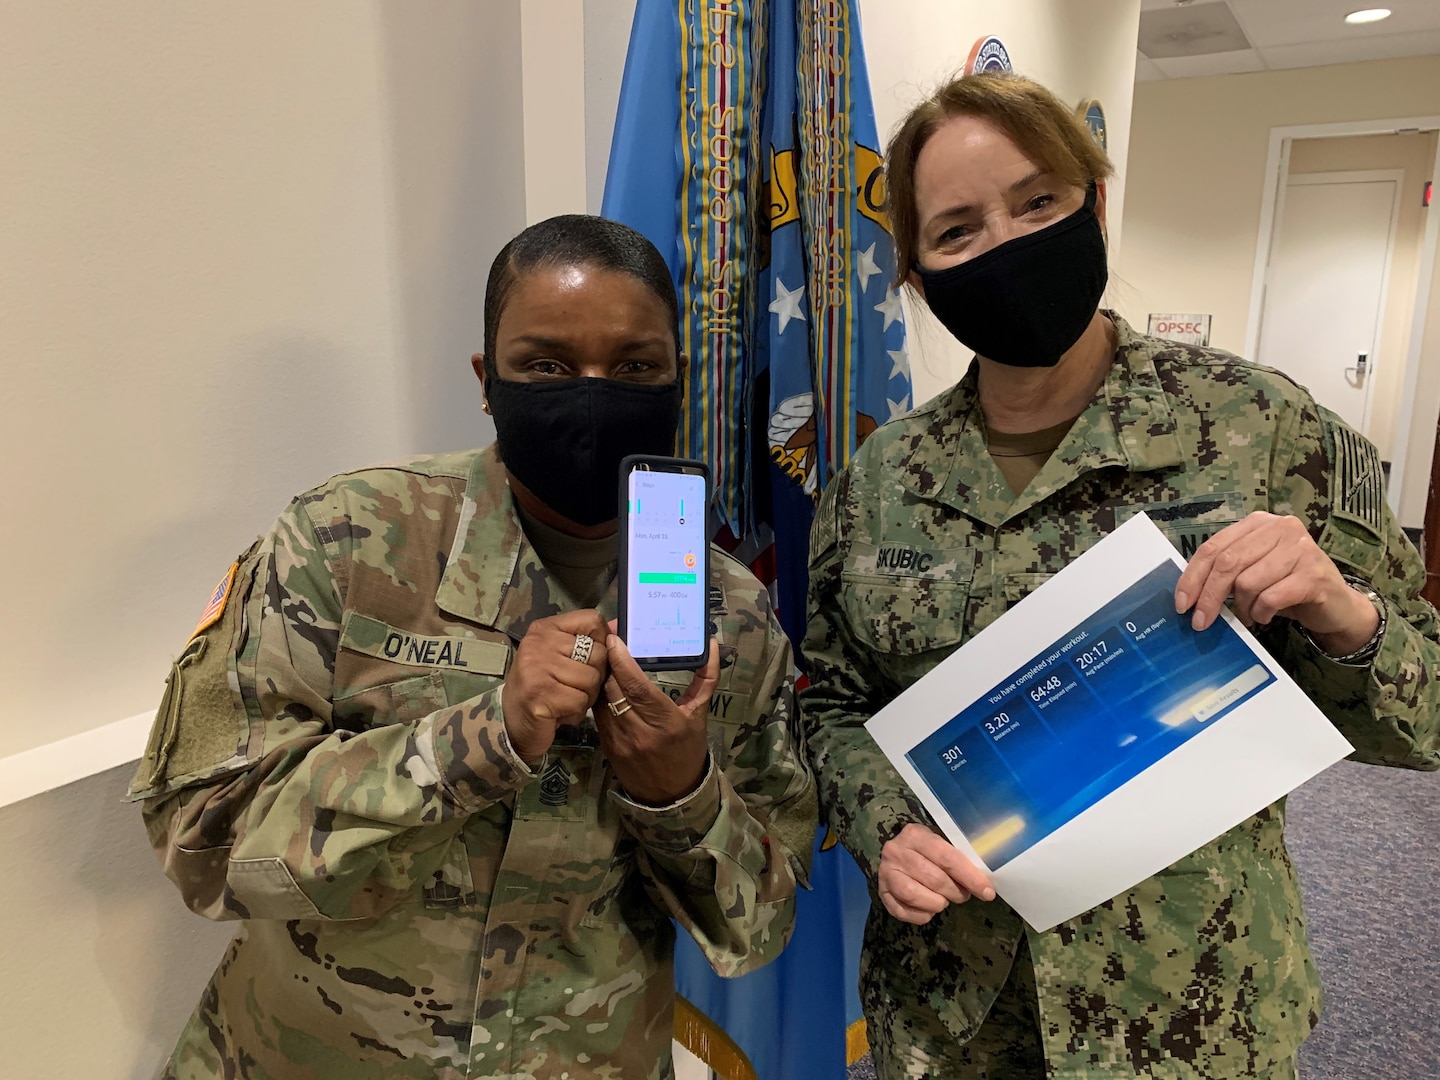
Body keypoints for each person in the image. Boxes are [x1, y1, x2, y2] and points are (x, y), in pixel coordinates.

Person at [801, 72, 1440, 1080]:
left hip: (1193, 1004)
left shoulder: (1265, 428)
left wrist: (1341, 614)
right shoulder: (876, 480)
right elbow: (830, 702)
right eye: (958, 229)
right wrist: (884, 827)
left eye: (1037, 202)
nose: (1005, 243)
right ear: (919, 278)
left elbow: (1428, 721)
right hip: (958, 1010)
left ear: (1096, 204)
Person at [130, 214, 816, 1080]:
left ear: (679, 377)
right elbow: (203, 840)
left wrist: (678, 792)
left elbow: (761, 929)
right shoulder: (346, 542)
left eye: (636, 366)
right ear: (488, 381)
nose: (593, 390)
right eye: (547, 365)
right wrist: (484, 738)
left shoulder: (736, 617)